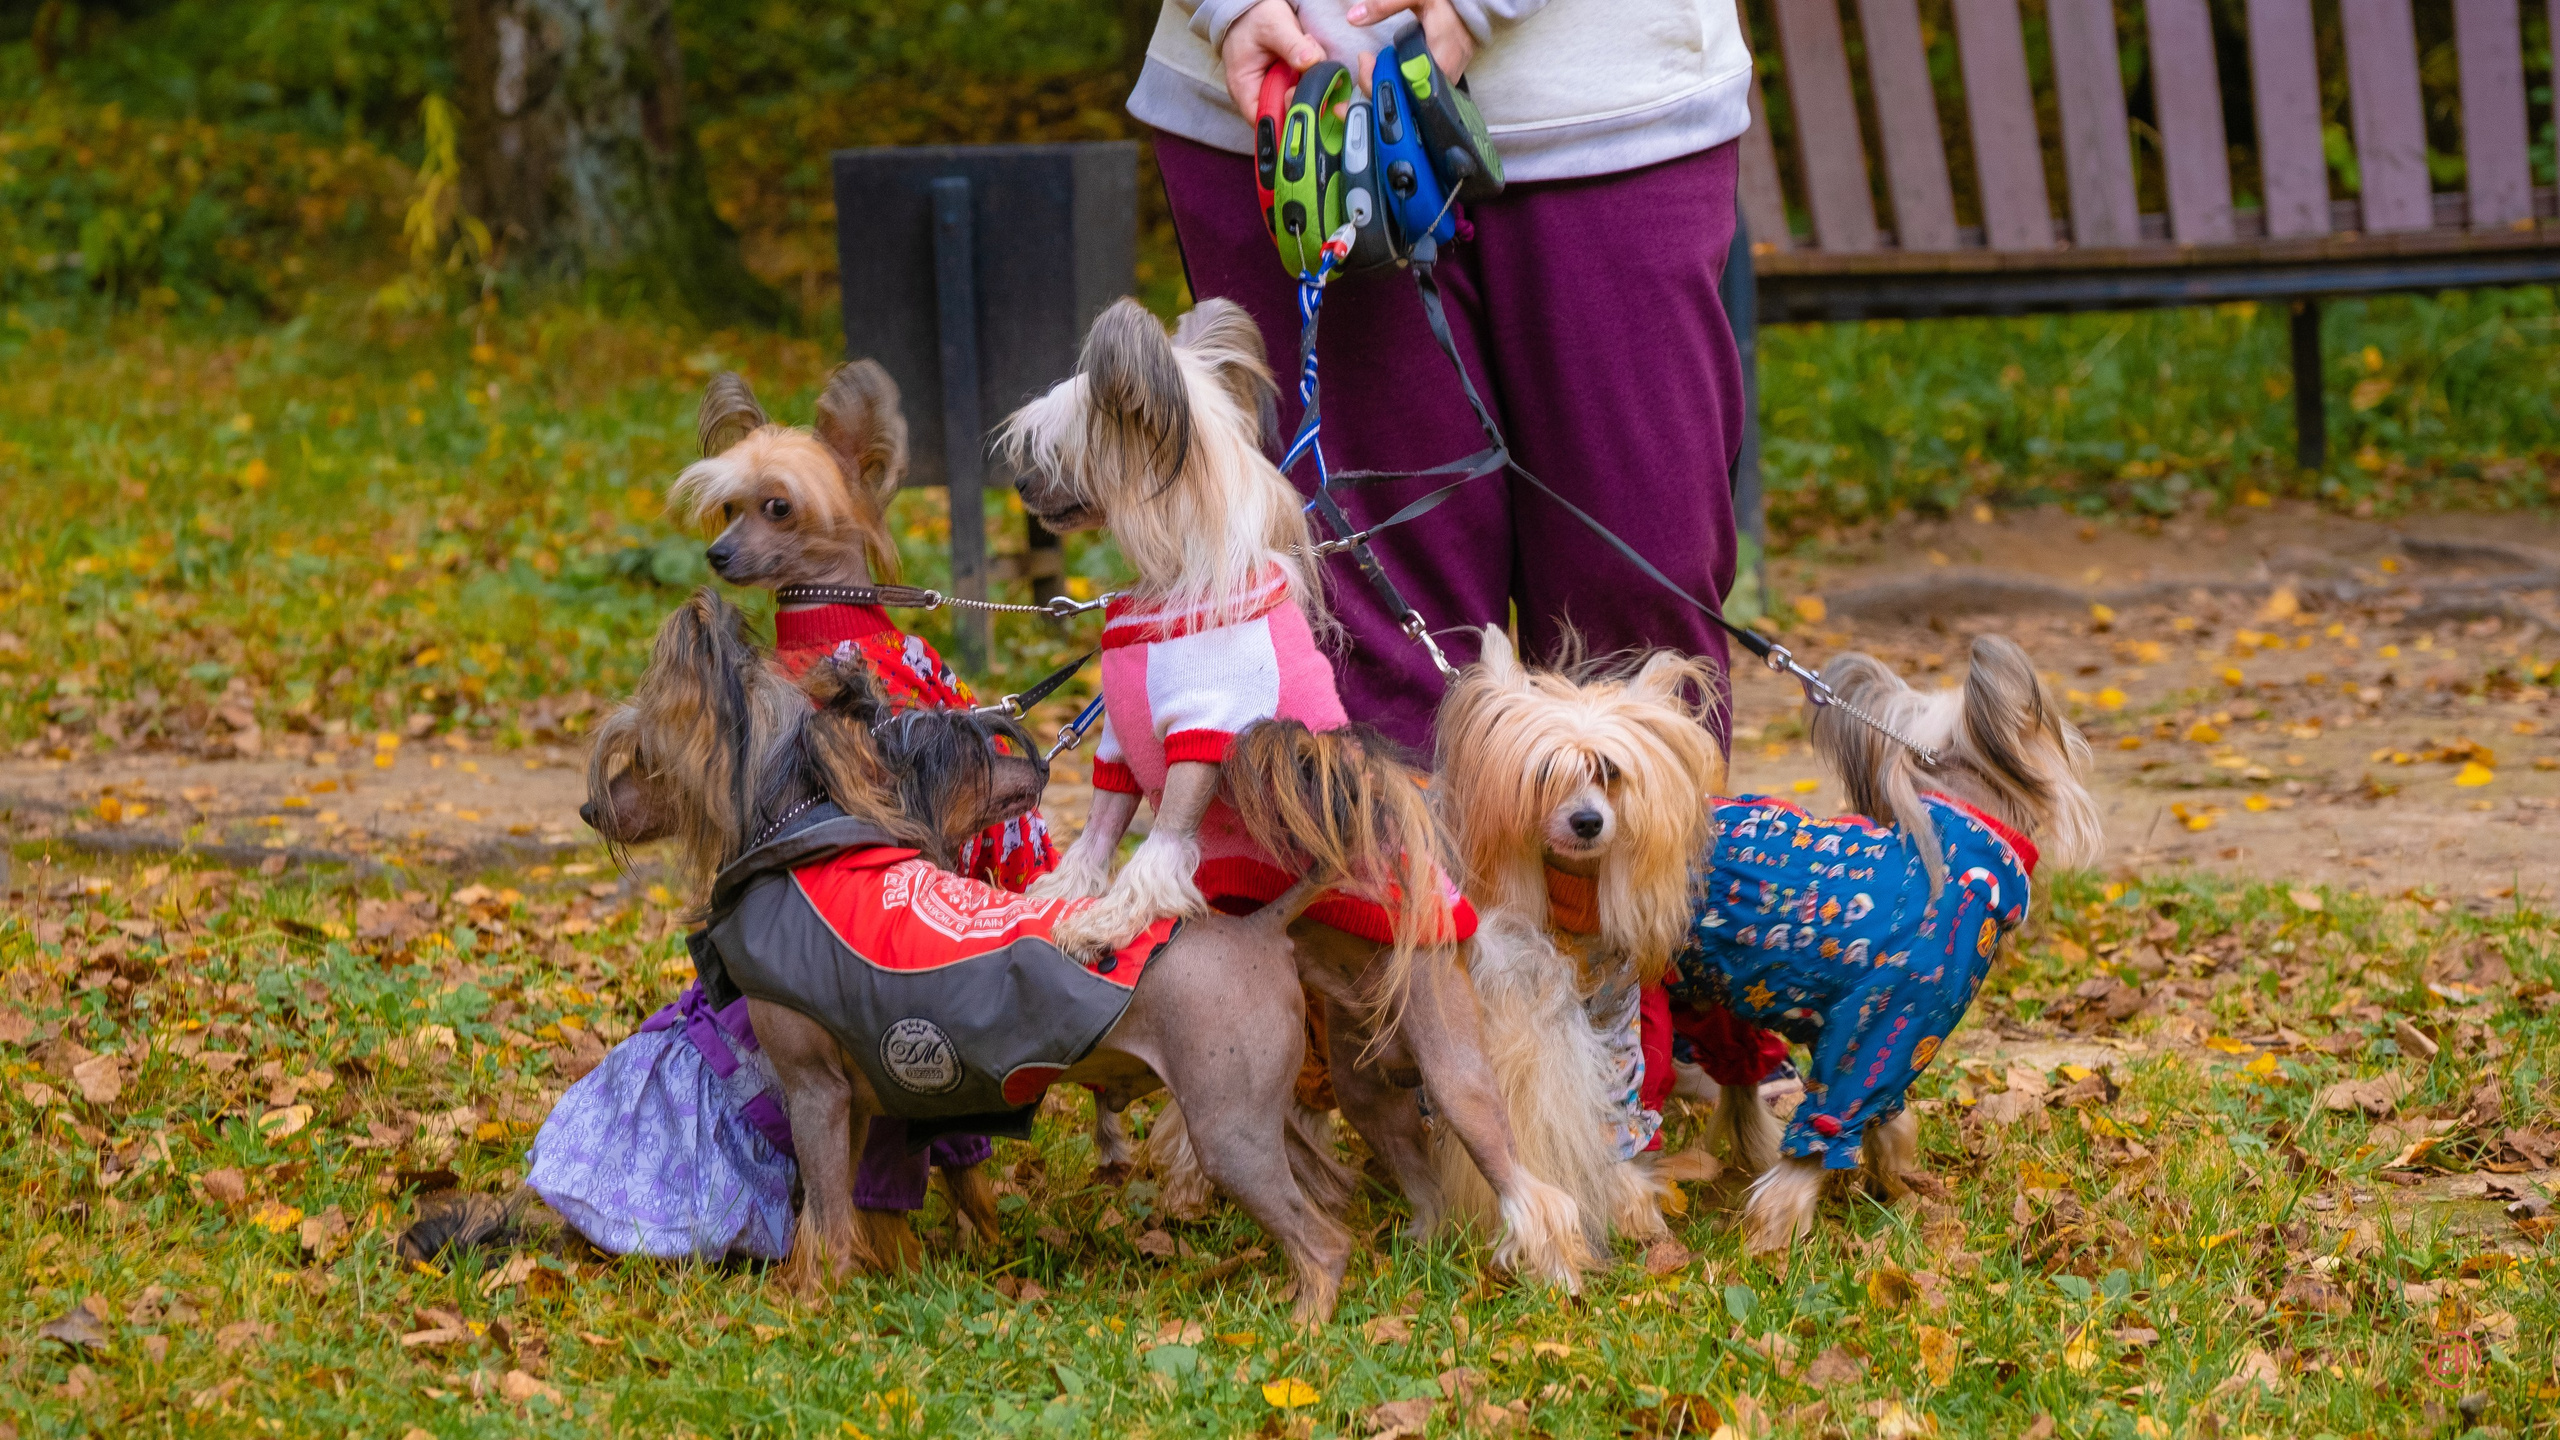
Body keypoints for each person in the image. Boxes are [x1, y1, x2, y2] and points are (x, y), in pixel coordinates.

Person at [1127, 0, 1757, 754]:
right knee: (1362, 655)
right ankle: (1388, 839)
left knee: (1636, 639)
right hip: (1289, 129)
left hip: (1614, 107)